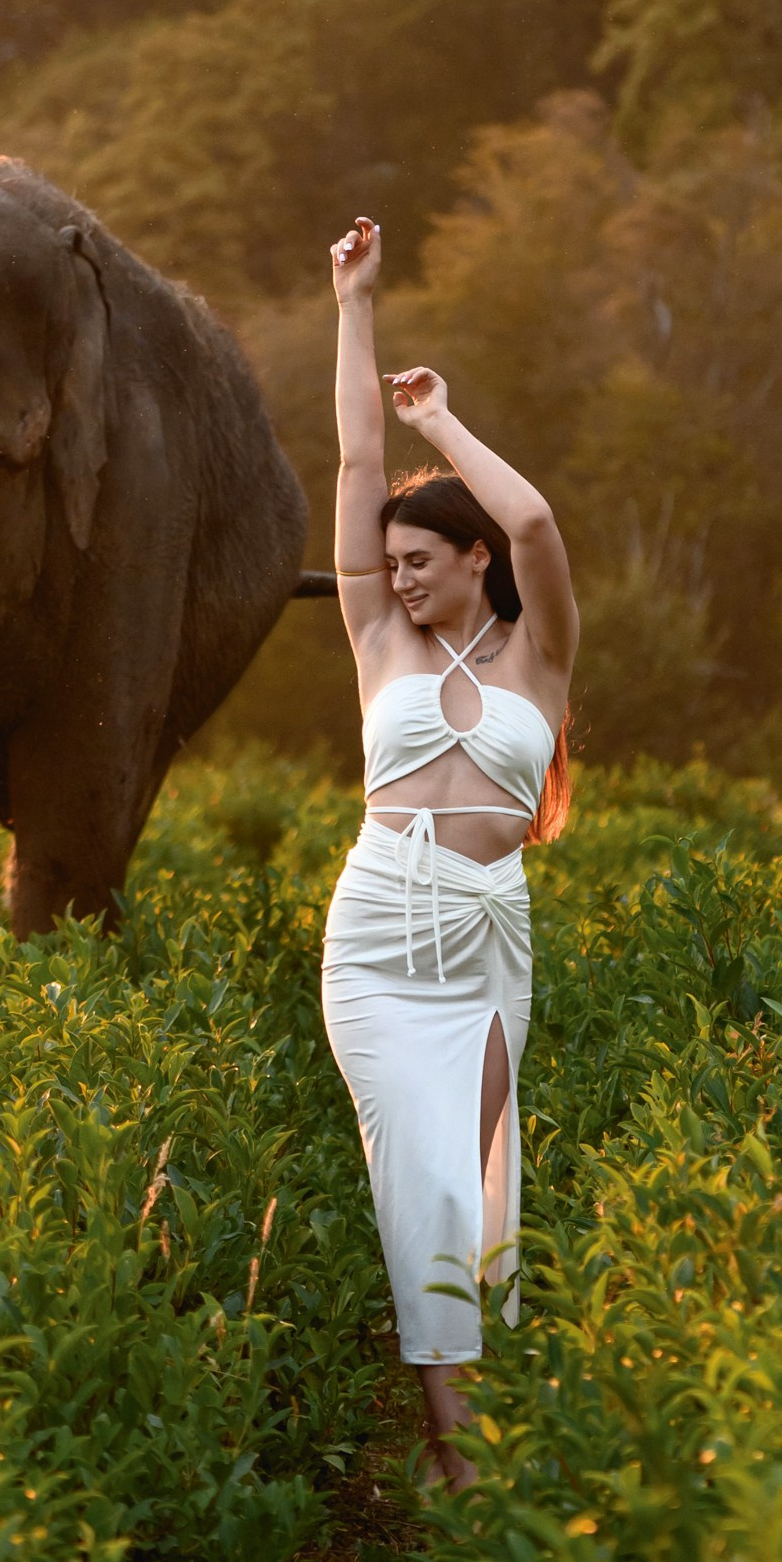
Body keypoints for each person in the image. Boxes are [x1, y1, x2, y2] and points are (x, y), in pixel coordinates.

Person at [320, 216, 578, 1488]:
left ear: (472, 560)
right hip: (376, 938)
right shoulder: (384, 644)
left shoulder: (542, 653)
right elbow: (352, 458)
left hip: (487, 938)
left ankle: (475, 1433)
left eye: (420, 561)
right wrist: (354, 307)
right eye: (388, 566)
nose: (398, 579)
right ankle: (458, 1461)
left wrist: (444, 423)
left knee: (480, 1202)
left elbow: (532, 519)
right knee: (413, 1183)